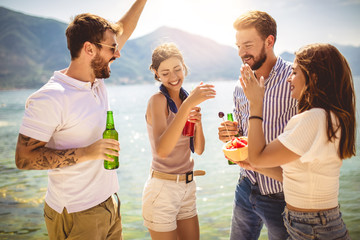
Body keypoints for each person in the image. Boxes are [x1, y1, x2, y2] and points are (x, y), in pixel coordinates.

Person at [14, 1, 147, 239]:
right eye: (112, 49)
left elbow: (123, 29)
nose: (118, 53)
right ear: (89, 49)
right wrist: (87, 153)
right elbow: (24, 159)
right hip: (76, 213)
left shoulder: (96, 78)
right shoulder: (51, 97)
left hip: (109, 204)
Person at [239, 43, 354, 240]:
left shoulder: (312, 119)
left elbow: (258, 157)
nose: (288, 79)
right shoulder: (331, 117)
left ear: (314, 77)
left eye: (294, 72)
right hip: (317, 224)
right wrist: (255, 166)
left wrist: (256, 103)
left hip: (311, 228)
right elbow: (293, 175)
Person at [218, 11, 298, 239]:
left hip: (281, 194)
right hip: (245, 186)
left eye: (248, 45)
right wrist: (229, 135)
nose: (242, 53)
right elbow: (243, 135)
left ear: (269, 41)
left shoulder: (295, 78)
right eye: (238, 46)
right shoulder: (239, 85)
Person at [142, 42, 216, 240]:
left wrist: (198, 123)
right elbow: (162, 151)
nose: (173, 77)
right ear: (157, 74)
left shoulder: (186, 100)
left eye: (177, 69)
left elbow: (198, 149)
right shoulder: (157, 101)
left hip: (187, 187)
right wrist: (189, 104)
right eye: (165, 73)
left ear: (184, 67)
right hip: (162, 189)